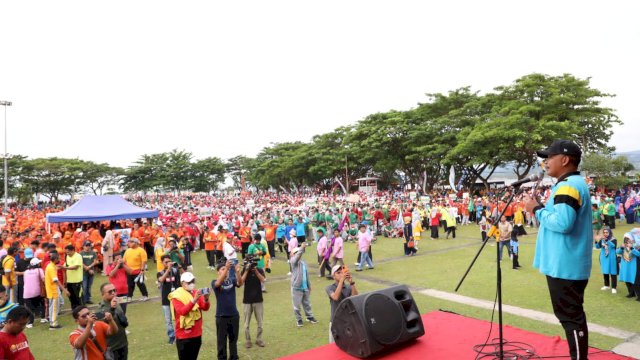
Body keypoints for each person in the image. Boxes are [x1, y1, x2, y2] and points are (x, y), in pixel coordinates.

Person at [524, 139, 592, 360]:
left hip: (566, 265)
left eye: (549, 158)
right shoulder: (569, 183)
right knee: (570, 316)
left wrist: (537, 209)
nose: (545, 163)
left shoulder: (569, 185)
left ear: (564, 160)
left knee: (571, 318)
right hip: (565, 263)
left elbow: (563, 223)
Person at [169, 272, 211, 360]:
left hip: (196, 333)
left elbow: (205, 308)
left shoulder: (196, 292)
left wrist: (206, 299)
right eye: (188, 282)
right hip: (183, 335)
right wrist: (194, 300)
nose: (191, 284)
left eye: (192, 281)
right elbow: (182, 311)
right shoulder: (177, 295)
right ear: (182, 283)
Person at [213, 259, 243, 360]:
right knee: (222, 342)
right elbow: (218, 284)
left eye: (225, 268)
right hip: (221, 317)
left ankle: (234, 357)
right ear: (218, 272)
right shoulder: (214, 282)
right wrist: (227, 268)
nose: (224, 270)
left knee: (233, 340)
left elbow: (240, 283)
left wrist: (237, 271)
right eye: (222, 269)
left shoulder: (231, 280)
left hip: (234, 315)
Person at [326, 264, 358, 343]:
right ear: (333, 276)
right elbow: (335, 297)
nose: (341, 274)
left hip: (347, 321)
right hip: (335, 322)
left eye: (342, 272)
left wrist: (352, 283)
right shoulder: (329, 287)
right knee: (333, 345)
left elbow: (355, 297)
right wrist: (341, 281)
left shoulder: (348, 287)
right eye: (338, 273)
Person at [97, 283, 129, 360]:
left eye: (114, 290)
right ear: (103, 294)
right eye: (110, 291)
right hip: (112, 347)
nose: (113, 293)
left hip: (122, 343)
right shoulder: (100, 310)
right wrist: (112, 309)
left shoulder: (116, 303)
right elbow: (103, 323)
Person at [290, 243, 318, 327]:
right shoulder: (293, 261)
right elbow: (296, 258)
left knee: (307, 304)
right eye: (296, 253)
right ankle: (299, 319)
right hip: (297, 287)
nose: (299, 254)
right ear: (293, 254)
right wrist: (301, 248)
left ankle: (309, 317)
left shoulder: (303, 263)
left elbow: (306, 275)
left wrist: (309, 285)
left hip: (305, 287)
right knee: (297, 305)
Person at [240, 255, 265, 349]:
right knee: (246, 323)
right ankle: (248, 340)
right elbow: (241, 282)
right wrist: (246, 270)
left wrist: (256, 271)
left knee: (260, 322)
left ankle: (259, 339)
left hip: (258, 299)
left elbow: (263, 280)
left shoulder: (259, 269)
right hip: (247, 300)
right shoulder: (245, 270)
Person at [157, 254, 180, 344]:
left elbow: (181, 282)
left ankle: (179, 335)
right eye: (166, 262)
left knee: (179, 318)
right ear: (162, 263)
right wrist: (167, 270)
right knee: (168, 320)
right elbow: (161, 280)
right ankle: (171, 336)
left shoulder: (175, 271)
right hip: (166, 300)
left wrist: (179, 267)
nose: (168, 263)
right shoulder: (160, 273)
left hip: (176, 299)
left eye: (169, 261)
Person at [45, 251, 70, 330]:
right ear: (55, 259)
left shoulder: (50, 265)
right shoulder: (51, 268)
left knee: (57, 304)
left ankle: (52, 320)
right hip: (53, 291)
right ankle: (53, 324)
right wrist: (65, 290)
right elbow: (55, 280)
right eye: (58, 258)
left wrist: (59, 267)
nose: (59, 259)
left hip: (52, 290)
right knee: (54, 307)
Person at [21, 258, 46, 328]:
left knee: (29, 308)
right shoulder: (39, 270)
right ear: (37, 264)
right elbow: (43, 279)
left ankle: (30, 322)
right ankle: (43, 318)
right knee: (41, 304)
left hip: (26, 293)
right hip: (37, 292)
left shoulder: (26, 272)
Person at [595, 227, 618, 294]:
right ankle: (606, 285)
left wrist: (607, 240)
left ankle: (614, 287)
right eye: (604, 232)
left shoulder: (613, 239)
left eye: (607, 232)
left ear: (609, 232)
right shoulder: (602, 240)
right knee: (605, 271)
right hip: (604, 258)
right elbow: (597, 247)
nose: (605, 234)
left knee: (613, 272)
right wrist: (596, 241)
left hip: (611, 258)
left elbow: (613, 246)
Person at [64, 244, 84, 309]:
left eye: (68, 252)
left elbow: (76, 267)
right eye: (66, 252)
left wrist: (65, 267)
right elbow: (66, 264)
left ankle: (80, 309)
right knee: (71, 297)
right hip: (69, 280)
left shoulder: (78, 256)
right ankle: (74, 309)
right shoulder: (67, 256)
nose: (67, 253)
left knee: (78, 297)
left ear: (72, 250)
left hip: (77, 280)